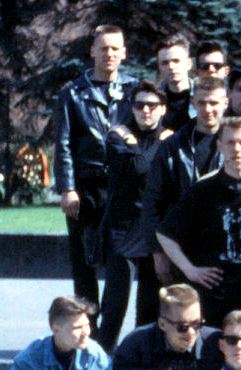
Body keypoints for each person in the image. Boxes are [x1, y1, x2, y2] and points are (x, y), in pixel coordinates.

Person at [156, 116, 241, 325]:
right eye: (230, 142)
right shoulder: (203, 190)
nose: (237, 149)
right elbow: (165, 234)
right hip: (213, 295)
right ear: (219, 145)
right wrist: (189, 269)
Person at [54, 24, 137, 317]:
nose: (109, 54)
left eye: (115, 48)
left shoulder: (135, 90)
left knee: (120, 264)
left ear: (124, 53)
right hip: (86, 188)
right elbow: (63, 143)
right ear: (92, 51)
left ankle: (110, 333)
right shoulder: (72, 94)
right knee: (83, 263)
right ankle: (88, 327)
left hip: (123, 188)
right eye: (103, 48)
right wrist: (68, 188)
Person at [97, 80, 171, 352]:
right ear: (132, 107)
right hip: (123, 229)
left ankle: (141, 361)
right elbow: (141, 167)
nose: (145, 111)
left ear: (162, 109)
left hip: (153, 229)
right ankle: (103, 360)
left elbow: (142, 166)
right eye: (139, 105)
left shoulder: (168, 138)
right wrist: (149, 145)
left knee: (148, 307)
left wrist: (135, 145)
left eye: (152, 105)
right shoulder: (116, 136)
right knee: (114, 305)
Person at [142, 76, 228, 286]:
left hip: (225, 247)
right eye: (202, 103)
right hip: (180, 248)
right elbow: (153, 200)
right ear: (193, 103)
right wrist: (158, 252)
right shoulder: (173, 146)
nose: (208, 109)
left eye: (214, 103)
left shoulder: (240, 143)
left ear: (225, 103)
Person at [156, 33, 194, 131]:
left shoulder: (204, 95)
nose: (171, 67)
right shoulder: (153, 100)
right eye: (165, 63)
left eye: (176, 61)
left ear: (189, 64)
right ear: (159, 67)